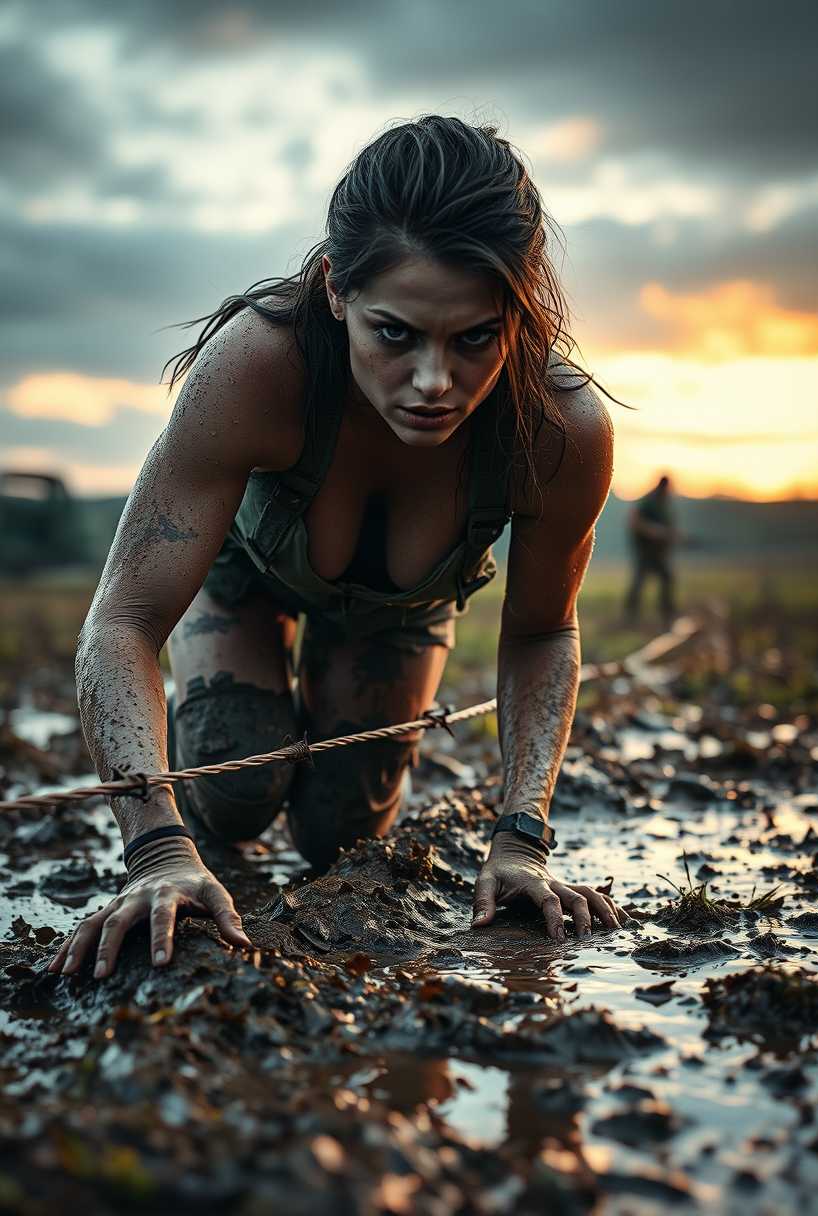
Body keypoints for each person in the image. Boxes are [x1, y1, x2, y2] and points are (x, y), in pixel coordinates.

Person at [48, 115, 627, 982]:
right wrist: (157, 852)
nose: (435, 384)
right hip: (244, 582)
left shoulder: (559, 428)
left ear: (517, 314)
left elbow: (543, 631)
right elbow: (123, 618)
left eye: (474, 338)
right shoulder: (256, 369)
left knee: (336, 834)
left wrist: (523, 840)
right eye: (395, 333)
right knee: (238, 786)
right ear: (335, 290)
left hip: (401, 614)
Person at [624, 475, 678, 627]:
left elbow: (669, 527)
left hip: (658, 553)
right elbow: (634, 521)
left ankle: (666, 614)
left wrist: (670, 535)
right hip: (645, 552)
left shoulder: (664, 503)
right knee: (640, 582)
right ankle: (630, 615)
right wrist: (655, 531)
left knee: (666, 579)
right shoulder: (648, 501)